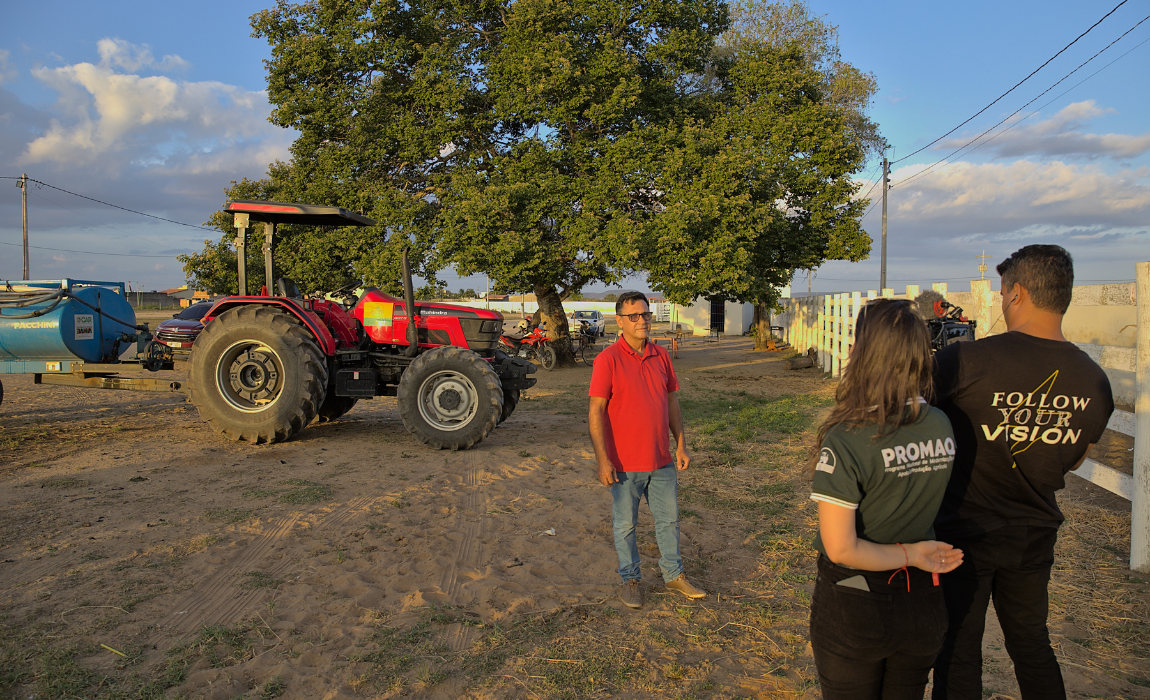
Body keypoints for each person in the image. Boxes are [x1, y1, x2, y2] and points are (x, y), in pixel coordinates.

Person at [931, 245, 1114, 700]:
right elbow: (1075, 459)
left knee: (958, 648)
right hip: (1034, 532)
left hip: (963, 531)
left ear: (1017, 293)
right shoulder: (1093, 380)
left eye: (1001, 292)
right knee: (1031, 645)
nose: (1000, 301)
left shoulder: (964, 361)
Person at [809, 298, 964, 700]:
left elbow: (841, 547)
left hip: (857, 600)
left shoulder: (849, 437)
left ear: (863, 353)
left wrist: (910, 554)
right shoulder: (941, 423)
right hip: (924, 603)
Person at [588, 290, 704, 609]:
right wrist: (602, 460)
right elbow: (596, 410)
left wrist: (681, 444)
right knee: (626, 526)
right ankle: (631, 580)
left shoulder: (661, 355)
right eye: (634, 316)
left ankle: (673, 575)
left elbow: (671, 401)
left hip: (661, 460)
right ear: (620, 321)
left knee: (669, 521)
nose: (642, 321)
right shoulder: (607, 360)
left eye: (646, 314)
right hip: (624, 465)